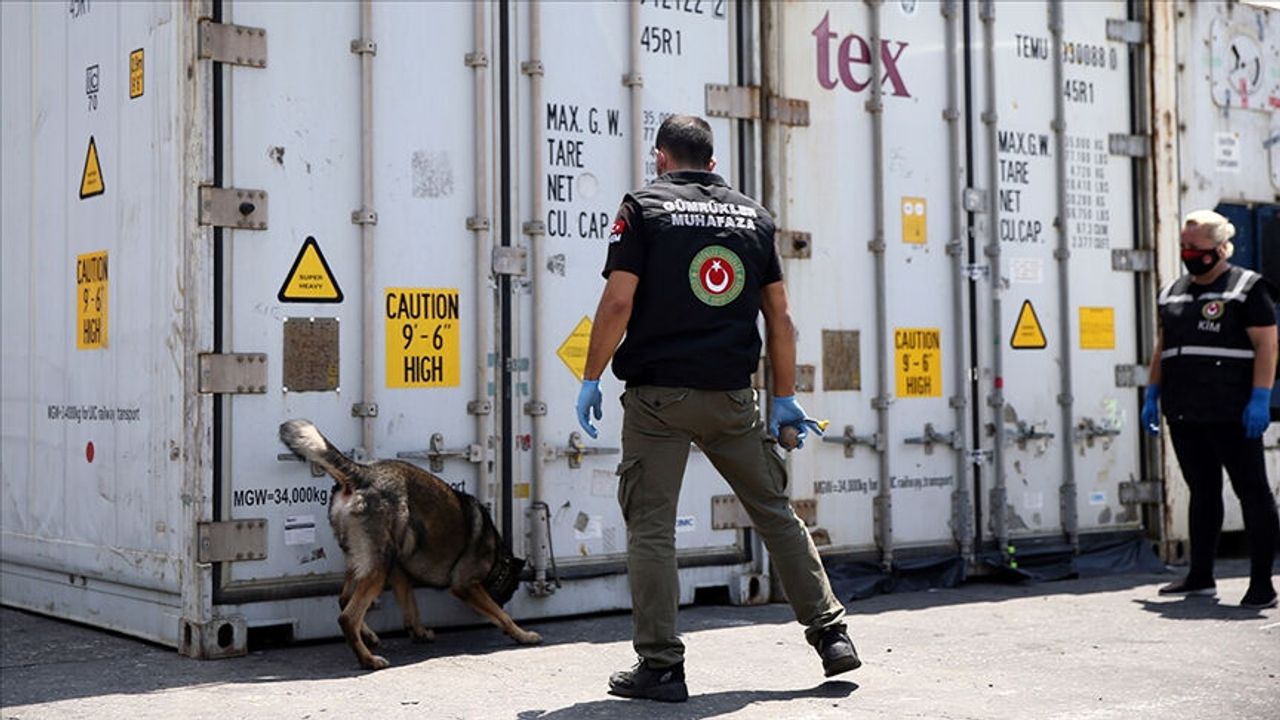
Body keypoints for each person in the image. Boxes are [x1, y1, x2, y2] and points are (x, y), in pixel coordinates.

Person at [574, 115, 859, 702]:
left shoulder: (642, 208)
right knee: (775, 512)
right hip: (733, 398)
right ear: (711, 163)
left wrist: (591, 376)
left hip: (657, 400)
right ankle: (831, 634)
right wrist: (784, 397)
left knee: (652, 528)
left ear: (660, 157)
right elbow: (780, 318)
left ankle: (661, 667)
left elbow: (618, 301)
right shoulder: (755, 217)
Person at [1142, 209, 1279, 610]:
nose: (1188, 253)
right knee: (1202, 491)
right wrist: (1152, 393)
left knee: (1252, 492)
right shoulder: (1172, 292)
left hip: (1234, 411)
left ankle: (1262, 585)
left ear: (1220, 247)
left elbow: (1267, 345)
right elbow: (1163, 347)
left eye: (1196, 247)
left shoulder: (1247, 288)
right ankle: (1200, 576)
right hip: (1185, 410)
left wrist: (1261, 397)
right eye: (1184, 246)